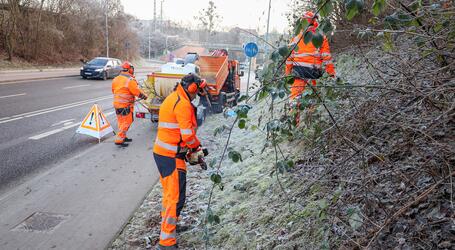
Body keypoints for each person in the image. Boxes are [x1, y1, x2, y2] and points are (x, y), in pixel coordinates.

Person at [153, 73, 207, 249]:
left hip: (166, 154)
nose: (197, 95)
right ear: (192, 88)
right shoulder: (182, 104)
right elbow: (188, 136)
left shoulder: (174, 97)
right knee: (175, 198)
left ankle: (170, 226)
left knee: (170, 195)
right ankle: (166, 242)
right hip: (170, 156)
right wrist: (197, 147)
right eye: (197, 92)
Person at [285, 11, 336, 100]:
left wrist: (287, 73)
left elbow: (289, 57)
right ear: (315, 21)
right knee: (311, 100)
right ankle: (309, 112)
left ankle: (295, 113)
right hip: (314, 73)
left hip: (298, 72)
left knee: (295, 101)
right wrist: (331, 74)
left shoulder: (296, 37)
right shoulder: (320, 37)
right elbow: (326, 57)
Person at [111, 61, 147, 147]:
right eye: (132, 68)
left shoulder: (116, 79)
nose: (132, 70)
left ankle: (123, 136)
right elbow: (136, 91)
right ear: (129, 69)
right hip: (125, 105)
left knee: (121, 121)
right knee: (127, 121)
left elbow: (113, 90)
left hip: (117, 104)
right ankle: (119, 139)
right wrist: (144, 96)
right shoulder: (129, 80)